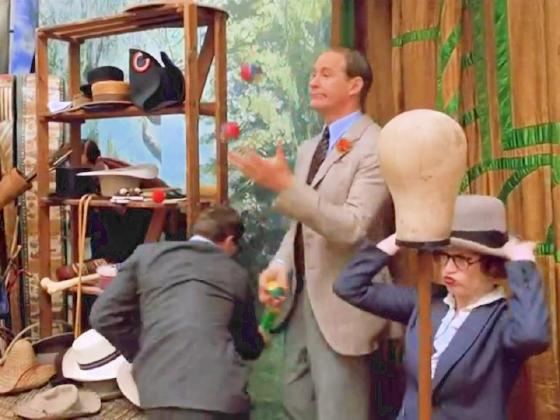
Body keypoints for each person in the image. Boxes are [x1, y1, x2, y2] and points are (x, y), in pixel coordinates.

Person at [229, 47, 392, 420]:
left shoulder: (376, 145)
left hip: (345, 302)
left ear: (355, 85)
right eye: (313, 73)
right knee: (296, 401)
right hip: (302, 300)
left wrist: (286, 184)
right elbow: (301, 224)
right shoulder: (309, 148)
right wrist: (280, 264)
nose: (313, 81)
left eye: (326, 74)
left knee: (340, 411)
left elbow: (352, 226)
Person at [333, 194, 551, 420]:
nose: (448, 268)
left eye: (461, 259)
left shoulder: (502, 320)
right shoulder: (428, 300)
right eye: (444, 256)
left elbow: (533, 336)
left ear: (492, 265)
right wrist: (398, 239)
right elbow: (349, 286)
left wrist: (523, 265)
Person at [90, 205, 265, 420]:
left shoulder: (146, 256)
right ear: (230, 241)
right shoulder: (235, 273)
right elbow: (248, 347)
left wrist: (145, 349)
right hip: (220, 396)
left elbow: (103, 315)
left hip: (160, 392)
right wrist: (260, 338)